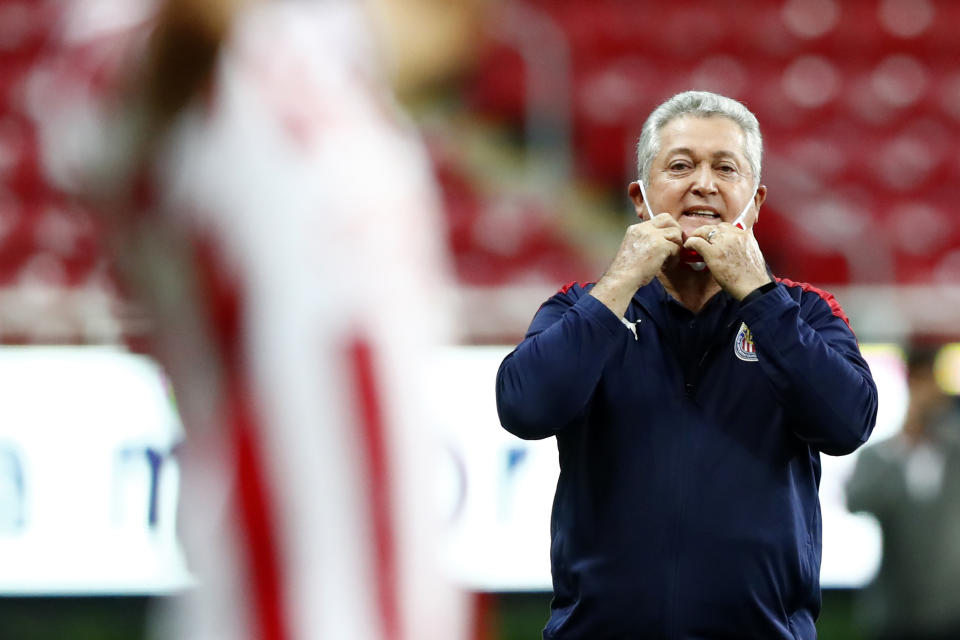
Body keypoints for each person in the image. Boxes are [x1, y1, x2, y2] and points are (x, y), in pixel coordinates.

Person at [24, 0, 476, 638]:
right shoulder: (119, 63)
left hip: (396, 576)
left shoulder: (292, 43)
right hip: (284, 582)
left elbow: (439, 28)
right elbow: (183, 42)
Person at [495, 90, 878, 639]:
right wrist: (621, 280)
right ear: (639, 197)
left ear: (756, 200)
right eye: (680, 166)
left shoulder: (805, 311)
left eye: (726, 167)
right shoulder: (579, 308)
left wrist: (758, 295)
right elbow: (524, 408)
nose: (703, 183)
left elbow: (848, 424)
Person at [846, 344, 960, 640]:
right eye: (918, 384)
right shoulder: (880, 455)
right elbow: (855, 500)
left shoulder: (955, 451)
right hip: (894, 606)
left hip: (951, 606)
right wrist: (904, 443)